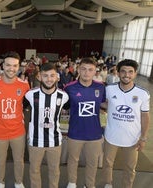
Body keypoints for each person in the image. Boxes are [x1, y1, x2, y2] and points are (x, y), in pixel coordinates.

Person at [102, 59, 150, 188]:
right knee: (107, 164)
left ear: (135, 73)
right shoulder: (109, 89)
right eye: (123, 71)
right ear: (117, 72)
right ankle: (108, 184)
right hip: (111, 136)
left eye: (130, 72)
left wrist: (143, 138)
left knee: (130, 167)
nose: (126, 75)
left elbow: (145, 116)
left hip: (132, 139)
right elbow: (104, 104)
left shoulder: (142, 94)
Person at [0, 51, 30, 188]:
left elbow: (25, 104)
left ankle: (18, 182)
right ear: (3, 66)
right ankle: (0, 182)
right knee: (0, 160)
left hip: (18, 131)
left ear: (19, 67)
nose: (12, 68)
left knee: (19, 160)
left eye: (15, 66)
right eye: (8, 65)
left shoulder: (24, 86)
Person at [63, 57, 106, 188]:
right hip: (75, 133)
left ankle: (89, 184)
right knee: (73, 160)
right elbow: (64, 109)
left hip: (95, 134)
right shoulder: (69, 88)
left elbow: (104, 105)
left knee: (92, 162)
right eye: (83, 69)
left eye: (90, 70)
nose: (86, 72)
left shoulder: (100, 87)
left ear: (95, 72)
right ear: (78, 70)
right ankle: (72, 183)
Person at [25, 63, 69, 188]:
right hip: (35, 140)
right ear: (39, 77)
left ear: (57, 77)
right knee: (34, 170)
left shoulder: (64, 96)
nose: (49, 79)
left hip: (54, 140)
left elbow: (67, 109)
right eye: (45, 76)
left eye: (52, 76)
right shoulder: (30, 95)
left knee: (54, 171)